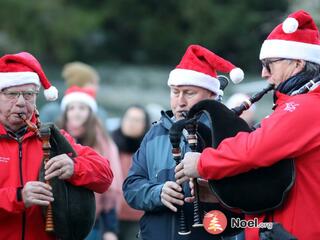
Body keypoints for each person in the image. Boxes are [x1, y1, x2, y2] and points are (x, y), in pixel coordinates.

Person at [176, 10, 320, 240]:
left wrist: (203, 162)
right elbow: (274, 185)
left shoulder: (308, 107)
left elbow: (254, 150)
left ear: (298, 63)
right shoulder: (299, 106)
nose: (263, 73)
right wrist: (219, 193)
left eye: (269, 65)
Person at [123, 44, 244, 240]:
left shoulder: (227, 135)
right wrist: (157, 193)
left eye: (189, 93)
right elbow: (130, 188)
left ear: (212, 95)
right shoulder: (154, 134)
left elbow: (246, 197)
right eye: (175, 92)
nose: (180, 101)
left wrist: (213, 191)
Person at [0, 52, 113, 240]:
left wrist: (75, 167)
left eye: (29, 94)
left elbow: (106, 175)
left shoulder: (51, 138)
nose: (21, 102)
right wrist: (18, 197)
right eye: (12, 94)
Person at [58, 86, 123, 240]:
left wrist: (110, 229)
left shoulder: (104, 143)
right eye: (71, 108)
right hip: (57, 218)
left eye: (82, 108)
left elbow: (112, 189)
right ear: (65, 112)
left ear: (90, 112)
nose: (76, 112)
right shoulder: (54, 138)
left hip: (91, 219)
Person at [112, 104, 150, 240]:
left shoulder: (149, 150)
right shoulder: (109, 145)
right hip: (109, 215)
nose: (131, 124)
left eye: (137, 120)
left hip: (137, 217)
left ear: (145, 125)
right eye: (129, 118)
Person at [39, 61, 108, 123]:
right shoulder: (99, 113)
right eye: (93, 83)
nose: (97, 88)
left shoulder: (50, 109)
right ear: (79, 83)